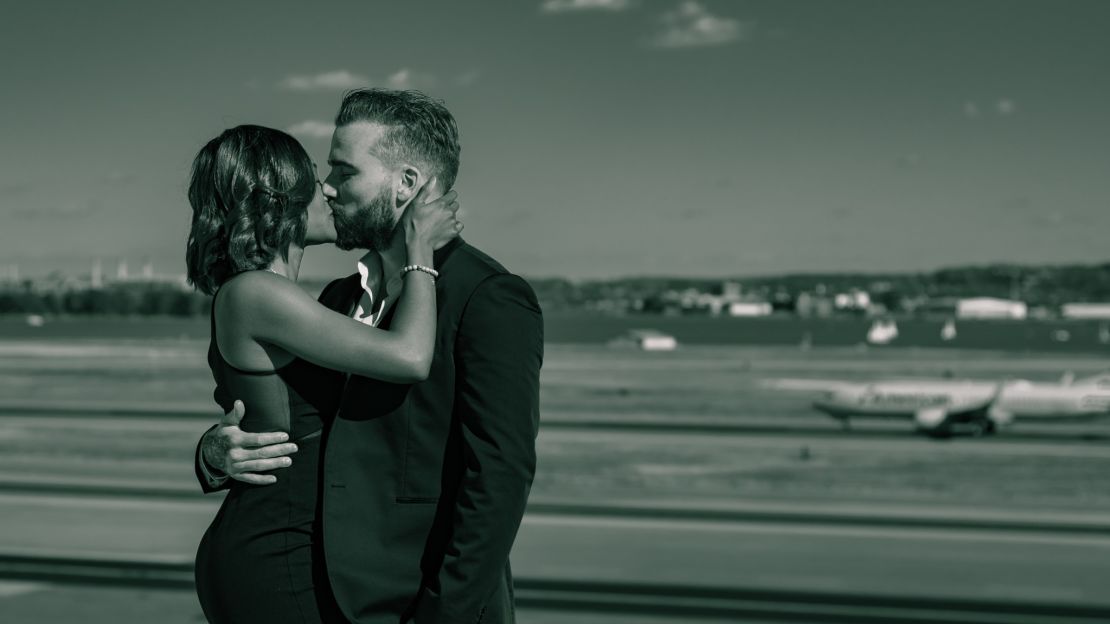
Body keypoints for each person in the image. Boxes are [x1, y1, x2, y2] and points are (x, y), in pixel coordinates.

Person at [195, 90, 544, 624]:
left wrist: (444, 614)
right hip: (317, 585)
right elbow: (301, 423)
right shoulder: (334, 298)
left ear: (405, 183)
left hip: (420, 600)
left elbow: (498, 478)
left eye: (343, 171)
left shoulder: (487, 295)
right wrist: (217, 452)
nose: (328, 189)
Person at [186, 123, 463, 624]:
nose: (331, 191)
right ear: (276, 200)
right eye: (317, 180)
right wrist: (420, 254)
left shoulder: (276, 297)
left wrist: (212, 451)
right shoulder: (255, 293)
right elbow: (408, 358)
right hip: (275, 553)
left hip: (290, 544)